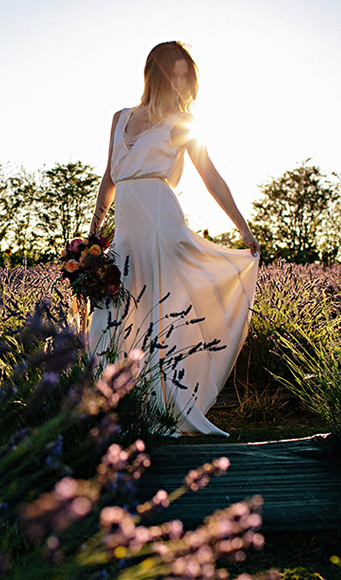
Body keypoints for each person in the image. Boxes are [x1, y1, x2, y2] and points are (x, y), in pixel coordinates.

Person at [87, 41, 259, 436]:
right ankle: (107, 405)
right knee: (110, 315)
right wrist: (93, 236)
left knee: (160, 315)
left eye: (187, 75)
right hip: (126, 232)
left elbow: (210, 177)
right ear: (155, 74)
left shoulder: (182, 123)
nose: (181, 82)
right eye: (175, 73)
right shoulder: (120, 118)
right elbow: (109, 179)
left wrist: (243, 228)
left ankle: (161, 407)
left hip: (162, 223)